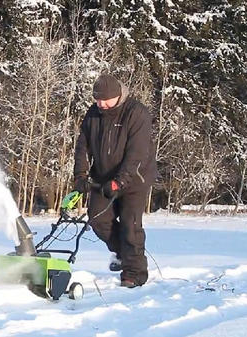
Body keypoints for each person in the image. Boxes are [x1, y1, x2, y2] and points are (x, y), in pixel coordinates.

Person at [71, 72, 157, 288]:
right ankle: (123, 253)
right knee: (98, 219)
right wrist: (81, 175)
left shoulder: (136, 113)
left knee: (130, 224)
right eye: (97, 99)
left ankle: (134, 273)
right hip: (102, 177)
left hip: (134, 179)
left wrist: (121, 181)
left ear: (117, 96)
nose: (101, 104)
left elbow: (137, 154)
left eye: (104, 100)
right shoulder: (94, 113)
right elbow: (83, 146)